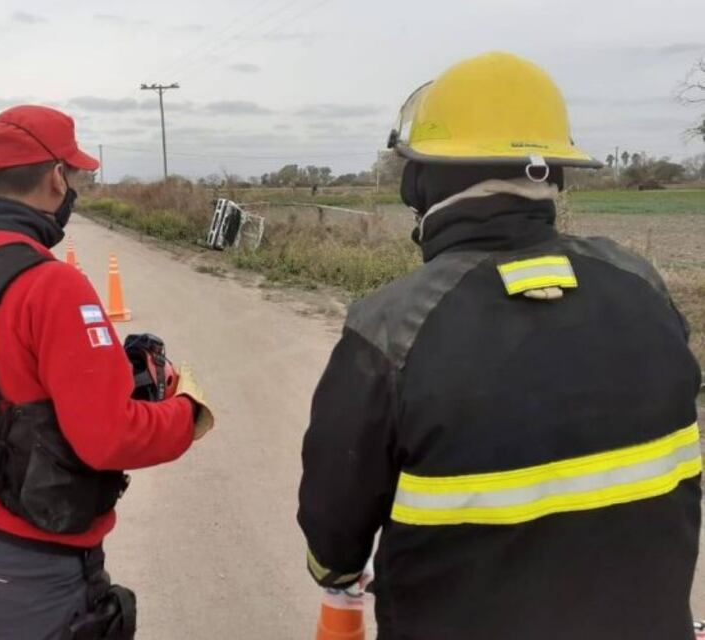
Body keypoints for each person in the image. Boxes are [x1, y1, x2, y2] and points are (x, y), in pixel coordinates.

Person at [298, 52, 702, 639]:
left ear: (423, 182)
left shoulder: (390, 329)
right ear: (553, 175)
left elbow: (334, 537)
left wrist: (333, 571)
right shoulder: (644, 286)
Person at [0, 105, 214, 639]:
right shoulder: (51, 285)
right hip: (30, 569)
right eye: (76, 177)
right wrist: (187, 412)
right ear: (55, 178)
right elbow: (107, 437)